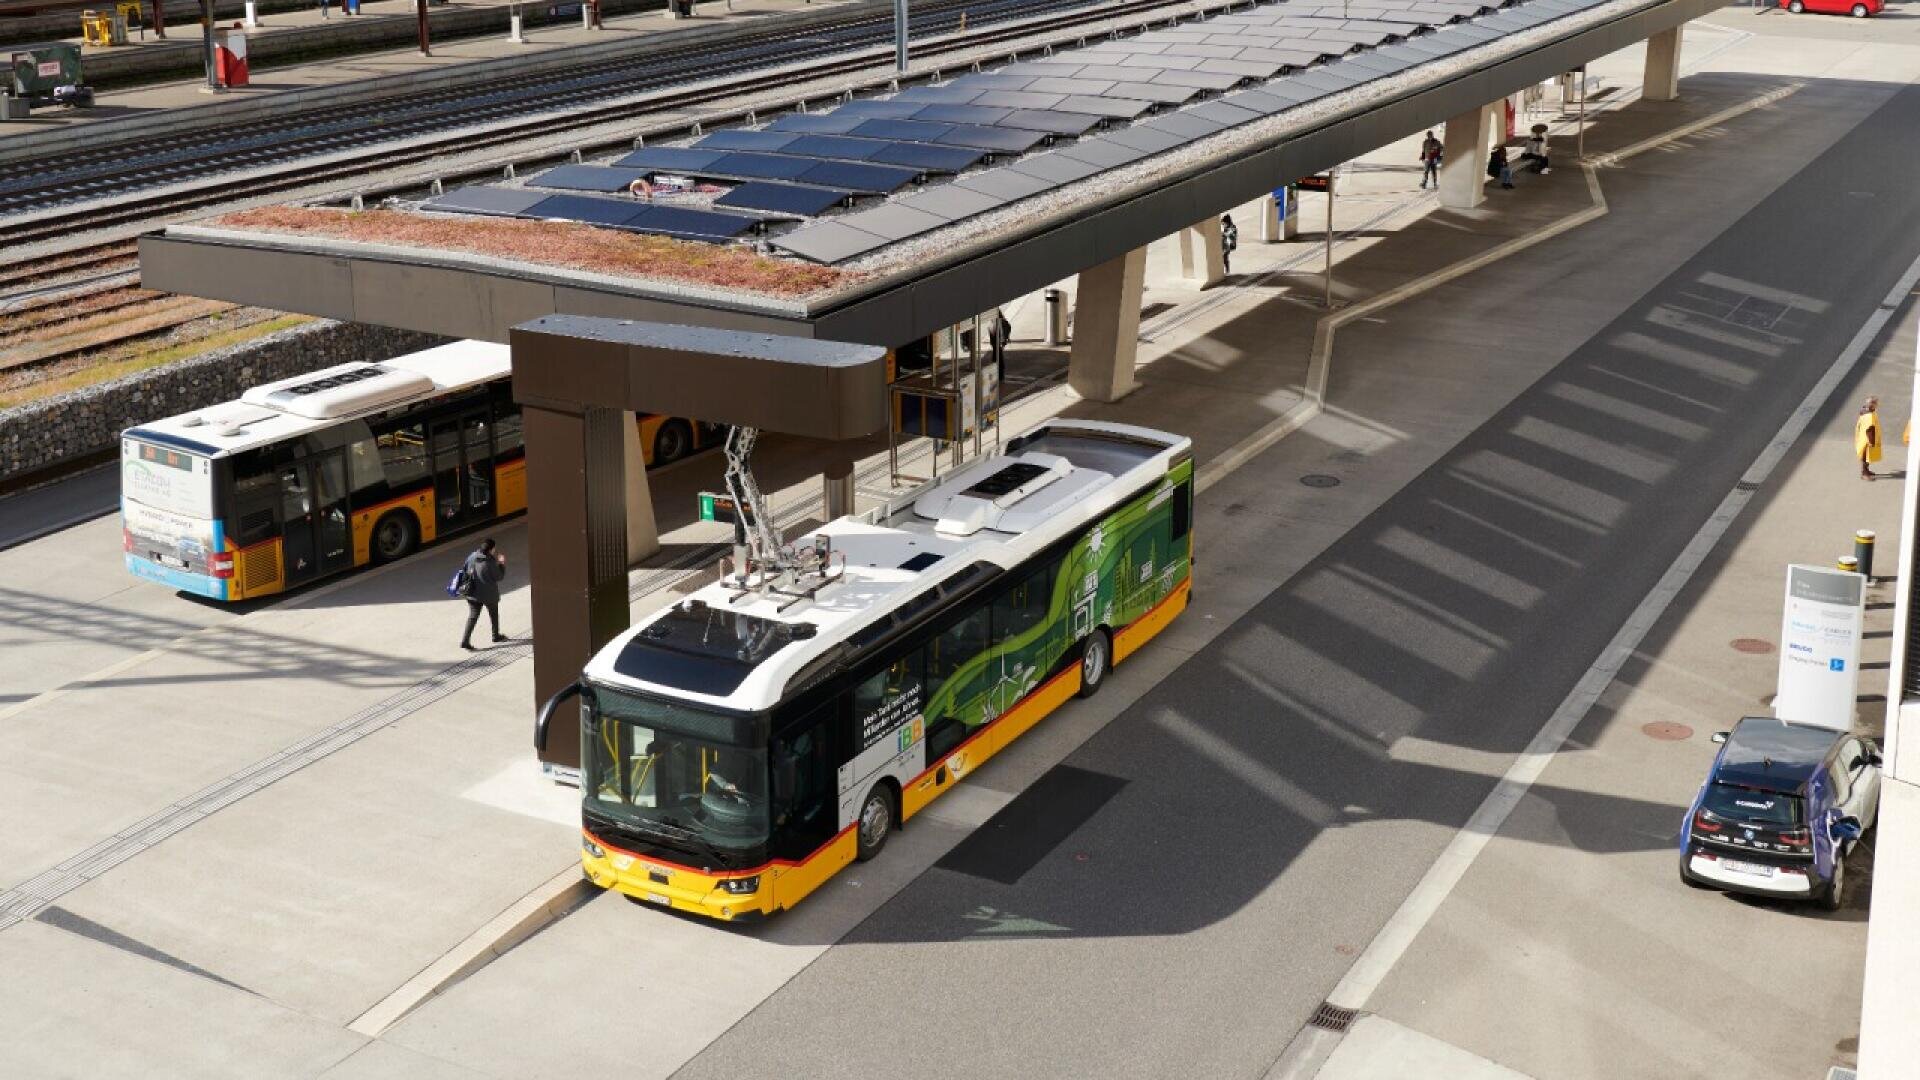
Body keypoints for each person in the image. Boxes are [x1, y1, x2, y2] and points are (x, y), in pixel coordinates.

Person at [459, 538, 508, 650]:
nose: (495, 550)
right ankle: (496, 636)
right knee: (494, 614)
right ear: (491, 549)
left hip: (471, 593)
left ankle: (465, 641)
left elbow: (465, 568)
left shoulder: (472, 556)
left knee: (472, 617)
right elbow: (499, 577)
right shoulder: (490, 562)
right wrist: (501, 563)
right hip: (488, 594)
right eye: (494, 548)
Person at [1857, 396, 1883, 481]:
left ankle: (1866, 471)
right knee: (1865, 457)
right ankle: (1864, 474)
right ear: (1872, 405)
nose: (1877, 405)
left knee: (1867, 457)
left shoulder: (1866, 411)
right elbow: (1869, 430)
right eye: (1876, 403)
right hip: (1867, 440)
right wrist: (1872, 442)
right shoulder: (1869, 416)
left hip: (1864, 437)